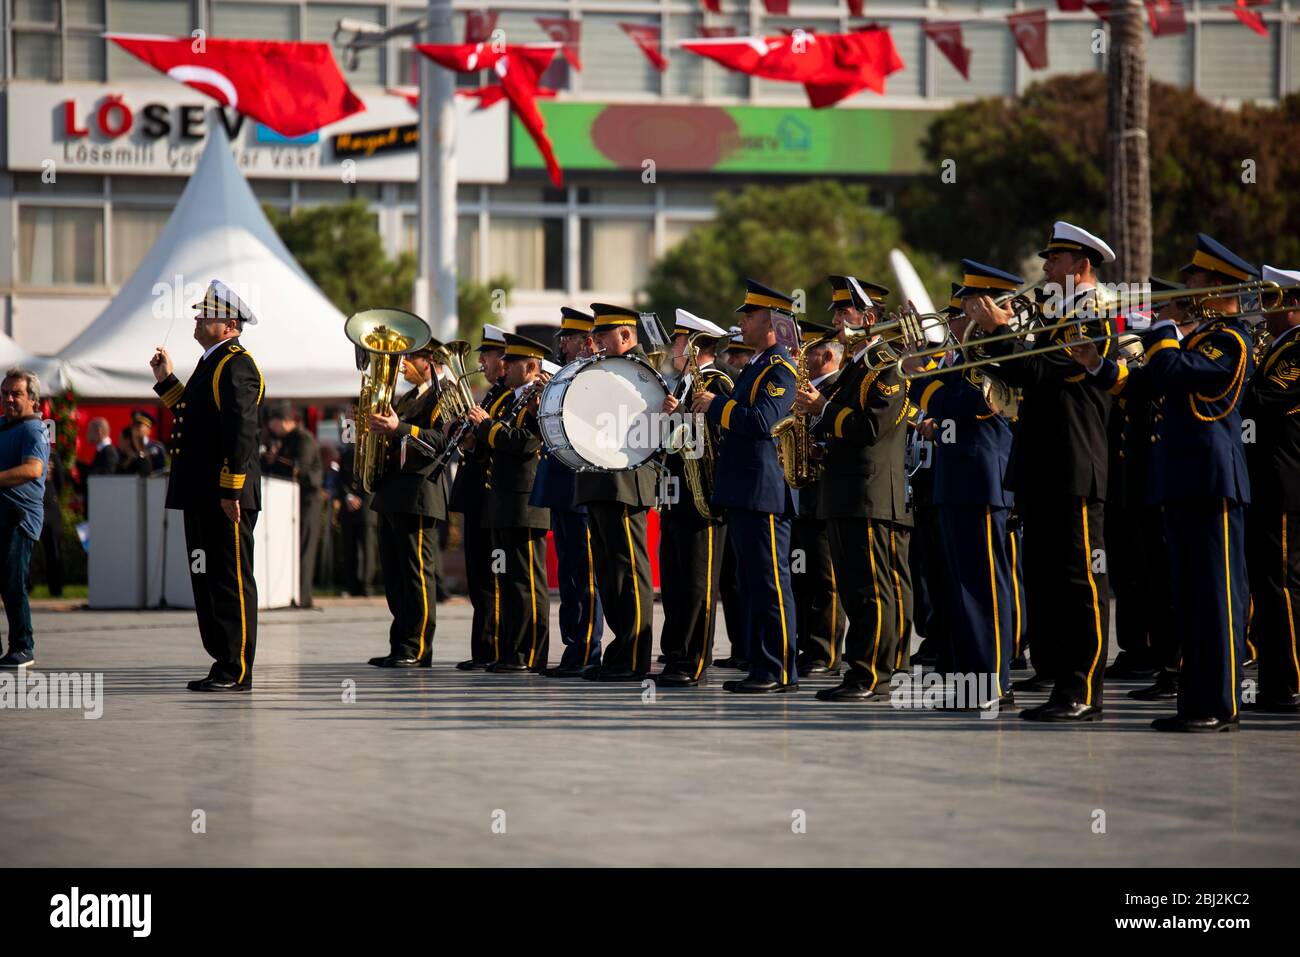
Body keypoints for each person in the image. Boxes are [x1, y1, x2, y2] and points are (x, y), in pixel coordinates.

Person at [1069, 233, 1256, 732]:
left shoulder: (1229, 339)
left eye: (1193, 278)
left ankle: (1221, 705)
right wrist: (1096, 365)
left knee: (1216, 597)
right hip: (1180, 482)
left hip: (1212, 482)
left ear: (1217, 286)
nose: (1184, 285)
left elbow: (1172, 371)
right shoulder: (1192, 341)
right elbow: (1141, 384)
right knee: (1189, 597)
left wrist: (1163, 331)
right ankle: (1196, 702)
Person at [967, 224, 1115, 722]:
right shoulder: (1059, 314)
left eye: (1054, 260)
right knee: (1048, 580)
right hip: (1044, 464)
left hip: (1074, 462)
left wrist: (999, 332)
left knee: (1080, 582)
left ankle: (1085, 690)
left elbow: (1041, 368)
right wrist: (988, 340)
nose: (1045, 269)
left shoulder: (1092, 313)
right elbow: (1014, 373)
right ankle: (1060, 682)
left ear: (1081, 265)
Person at [795, 275, 912, 702]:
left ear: (869, 317)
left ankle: (873, 675)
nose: (838, 320)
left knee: (869, 589)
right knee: (853, 587)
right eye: (837, 312)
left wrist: (823, 408)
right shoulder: (857, 367)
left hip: (869, 492)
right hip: (846, 492)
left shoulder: (884, 362)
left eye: (845, 312)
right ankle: (861, 669)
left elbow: (871, 428)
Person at [906, 273, 1019, 710]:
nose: (956, 317)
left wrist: (919, 377)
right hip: (958, 479)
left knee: (984, 586)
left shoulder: (993, 350)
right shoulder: (964, 354)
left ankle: (993, 682)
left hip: (982, 478)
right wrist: (925, 365)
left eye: (965, 308)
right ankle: (973, 682)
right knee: (960, 587)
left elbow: (965, 402)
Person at [149, 279, 264, 692]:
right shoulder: (213, 362)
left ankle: (237, 669)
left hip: (223, 496)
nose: (197, 319)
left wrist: (231, 490)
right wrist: (166, 379)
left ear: (229, 324)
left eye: (206, 314)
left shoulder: (237, 363)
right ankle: (222, 661)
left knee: (229, 579)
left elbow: (241, 432)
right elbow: (194, 417)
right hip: (203, 494)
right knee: (206, 577)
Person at [696, 279, 799, 694]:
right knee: (752, 583)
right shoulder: (757, 366)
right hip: (743, 489)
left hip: (763, 491)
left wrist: (716, 405)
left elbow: (763, 422)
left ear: (771, 321)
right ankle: (761, 665)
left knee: (771, 583)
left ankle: (780, 670)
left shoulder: (780, 369)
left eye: (749, 315)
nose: (742, 320)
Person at [576, 303, 659, 682]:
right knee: (610, 574)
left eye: (603, 336)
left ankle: (635, 657)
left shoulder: (641, 372)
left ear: (626, 336)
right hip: (598, 480)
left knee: (630, 571)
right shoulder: (603, 369)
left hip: (625, 483)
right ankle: (619, 651)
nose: (595, 343)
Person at [656, 309, 733, 687]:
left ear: (695, 344)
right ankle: (676, 652)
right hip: (677, 492)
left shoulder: (718, 382)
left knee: (698, 582)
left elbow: (721, 433)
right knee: (673, 578)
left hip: (702, 495)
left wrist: (683, 415)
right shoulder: (684, 384)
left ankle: (694, 660)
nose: (674, 347)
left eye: (680, 340)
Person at [467, 333, 551, 673]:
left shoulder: (539, 399)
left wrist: (486, 427)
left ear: (530, 367)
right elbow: (498, 443)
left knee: (526, 582)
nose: (504, 366)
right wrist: (478, 434)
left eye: (511, 362)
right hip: (502, 502)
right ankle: (510, 650)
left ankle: (529, 653)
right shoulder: (510, 399)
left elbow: (523, 444)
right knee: (506, 579)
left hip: (525, 502)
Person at [365, 337, 448, 668]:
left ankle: (418, 647)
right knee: (396, 574)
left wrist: (399, 427)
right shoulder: (409, 396)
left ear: (427, 360)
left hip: (418, 493)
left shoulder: (441, 394)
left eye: (408, 358)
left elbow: (439, 442)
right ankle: (400, 643)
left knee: (416, 575)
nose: (401, 365)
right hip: (392, 493)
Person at [1241, 265, 1300, 713]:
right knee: (1268, 582)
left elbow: (1265, 401)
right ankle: (1277, 677)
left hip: (1285, 481)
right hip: (1268, 479)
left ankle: (1289, 680)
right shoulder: (1276, 347)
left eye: (1274, 299)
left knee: (1282, 584)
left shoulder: (1298, 348)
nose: (1265, 309)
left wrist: (1226, 376)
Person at [535, 309, 604, 677]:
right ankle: (574, 646)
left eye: (570, 338)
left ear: (587, 342)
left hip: (581, 486)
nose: (562, 343)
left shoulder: (593, 378)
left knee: (585, 574)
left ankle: (588, 648)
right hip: (563, 486)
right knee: (569, 575)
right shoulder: (565, 375)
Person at [449, 324, 510, 670]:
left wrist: (480, 433)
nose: (482, 362)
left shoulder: (504, 397)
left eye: (487, 356)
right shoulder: (491, 395)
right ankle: (483, 648)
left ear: (504, 360)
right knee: (479, 577)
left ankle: (493, 648)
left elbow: (501, 442)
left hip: (491, 497)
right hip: (477, 496)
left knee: (491, 579)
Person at [789, 318, 846, 676]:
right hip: (801, 493)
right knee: (801, 575)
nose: (799, 358)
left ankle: (825, 652)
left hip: (826, 492)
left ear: (826, 355)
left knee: (826, 579)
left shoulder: (838, 389)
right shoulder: (802, 389)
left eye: (805, 352)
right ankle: (805, 644)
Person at [1, 368, 49, 669]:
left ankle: (22, 647)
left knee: (12, 584)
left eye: (16, 394)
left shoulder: (34, 429)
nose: (8, 399)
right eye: (5, 393)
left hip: (18, 520)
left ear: (32, 399)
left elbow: (32, 469)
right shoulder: (3, 426)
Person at [263, 401, 324, 609]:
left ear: (286, 421)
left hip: (307, 502)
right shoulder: (284, 439)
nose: (271, 426)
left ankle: (303, 597)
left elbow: (302, 469)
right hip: (289, 502)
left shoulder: (303, 439)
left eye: (274, 422)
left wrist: (277, 460)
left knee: (304, 549)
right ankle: (287, 593)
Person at [335, 428, 378, 597]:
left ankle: (367, 585)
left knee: (368, 548)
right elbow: (340, 478)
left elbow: (372, 479)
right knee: (349, 548)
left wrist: (359, 496)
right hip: (349, 508)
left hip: (367, 508)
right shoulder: (347, 454)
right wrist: (348, 496)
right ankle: (351, 584)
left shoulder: (372, 453)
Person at [116, 409, 167, 476]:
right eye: (134, 425)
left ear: (149, 430)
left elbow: (160, 472)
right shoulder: (126, 447)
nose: (135, 428)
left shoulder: (156, 448)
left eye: (139, 426)